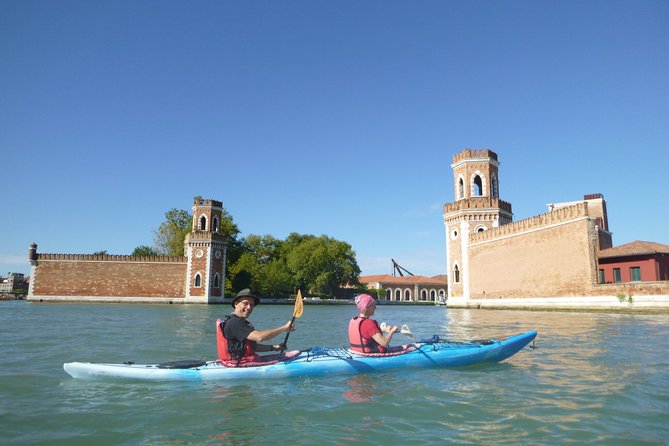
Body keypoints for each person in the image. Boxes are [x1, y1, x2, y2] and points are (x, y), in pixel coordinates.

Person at [217, 289, 295, 363]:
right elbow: (259, 337)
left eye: (251, 304)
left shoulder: (240, 322)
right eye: (245, 303)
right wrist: (284, 328)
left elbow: (252, 347)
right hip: (238, 365)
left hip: (242, 362)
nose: (249, 307)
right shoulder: (234, 323)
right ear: (236, 304)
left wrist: (273, 347)